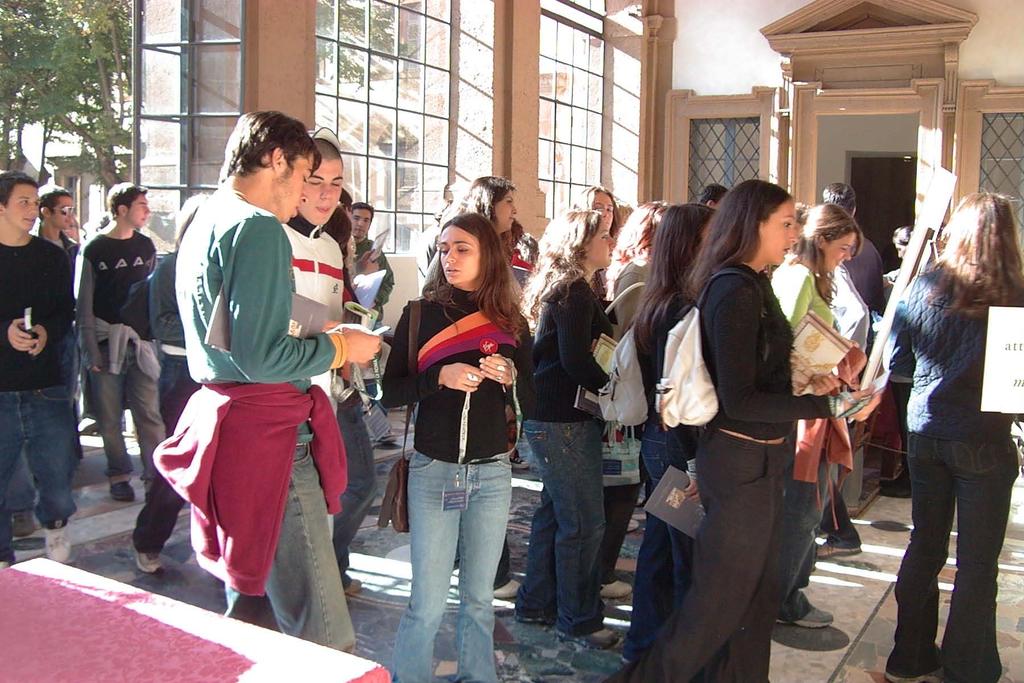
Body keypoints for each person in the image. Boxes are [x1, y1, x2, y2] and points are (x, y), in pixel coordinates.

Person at [608, 179, 876, 682]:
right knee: (716, 605)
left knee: (755, 601)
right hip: (737, 461)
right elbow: (740, 400)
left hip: (762, 458)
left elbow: (761, 375)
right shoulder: (732, 288)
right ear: (752, 224)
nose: (796, 232)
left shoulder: (755, 281)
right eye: (786, 222)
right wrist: (828, 402)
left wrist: (812, 380)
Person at [157, 111, 380, 650]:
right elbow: (262, 356)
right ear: (276, 161)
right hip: (269, 429)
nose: (306, 191)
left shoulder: (209, 217)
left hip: (232, 420)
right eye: (305, 175)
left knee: (251, 604)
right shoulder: (256, 227)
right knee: (323, 629)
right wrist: (342, 346)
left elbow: (239, 336)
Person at [382, 212, 535, 683]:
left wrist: (511, 379)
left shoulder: (511, 322)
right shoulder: (420, 314)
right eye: (444, 249)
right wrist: (438, 378)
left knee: (479, 601)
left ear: (487, 255)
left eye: (462, 248)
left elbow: (531, 398)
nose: (449, 258)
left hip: (491, 474)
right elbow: (390, 394)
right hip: (434, 471)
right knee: (426, 603)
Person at [884, 193, 1024, 683]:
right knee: (978, 563)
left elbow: (898, 366)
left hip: (925, 432)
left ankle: (909, 656)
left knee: (925, 544)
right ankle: (969, 667)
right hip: (983, 439)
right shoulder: (1016, 293)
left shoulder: (920, 288)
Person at [516, 208, 620, 649]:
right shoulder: (574, 291)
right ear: (581, 242)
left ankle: (536, 602)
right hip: (563, 419)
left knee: (555, 513)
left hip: (549, 415)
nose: (610, 243)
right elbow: (576, 360)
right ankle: (578, 618)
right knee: (583, 522)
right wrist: (613, 389)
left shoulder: (567, 287)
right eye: (604, 235)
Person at [283, 128, 378, 598]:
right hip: (290, 396)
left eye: (336, 183)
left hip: (335, 387)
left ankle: (327, 566)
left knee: (357, 482)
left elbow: (324, 313)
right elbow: (272, 327)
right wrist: (335, 336)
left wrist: (351, 326)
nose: (325, 193)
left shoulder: (327, 245)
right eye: (315, 180)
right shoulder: (272, 238)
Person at [622, 202, 714, 662]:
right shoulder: (680, 307)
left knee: (660, 548)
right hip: (675, 446)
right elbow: (676, 396)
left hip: (661, 445)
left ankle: (644, 646)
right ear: (692, 244)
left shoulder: (662, 299)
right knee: (684, 557)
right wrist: (694, 462)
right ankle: (677, 657)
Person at [771, 202, 863, 629]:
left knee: (808, 505)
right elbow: (783, 341)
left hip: (810, 403)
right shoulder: (796, 276)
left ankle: (790, 591)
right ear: (821, 240)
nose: (846, 257)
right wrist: (816, 372)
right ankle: (782, 598)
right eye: (843, 248)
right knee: (801, 508)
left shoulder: (809, 277)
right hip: (799, 410)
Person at [0, 171, 78, 568]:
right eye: (23, 203)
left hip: (46, 385)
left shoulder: (51, 256)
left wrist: (46, 331)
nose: (32, 211)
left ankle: (56, 528)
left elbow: (66, 311)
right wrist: (5, 334)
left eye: (34, 203)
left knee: (57, 472)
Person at [130, 195, 207, 574]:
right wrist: (209, 334)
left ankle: (213, 549)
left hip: (218, 374)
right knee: (179, 463)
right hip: (181, 373)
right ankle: (148, 539)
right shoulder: (170, 267)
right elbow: (162, 324)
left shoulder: (220, 266)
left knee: (220, 468)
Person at [598, 201, 668, 602]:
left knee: (625, 488)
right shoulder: (638, 274)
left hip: (636, 400)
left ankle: (603, 566)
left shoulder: (648, 273)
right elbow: (626, 340)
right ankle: (602, 571)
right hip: (625, 402)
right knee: (620, 490)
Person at [77, 183, 165, 502]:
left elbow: (152, 296)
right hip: (105, 340)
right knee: (109, 416)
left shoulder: (146, 246)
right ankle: (119, 474)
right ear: (122, 210)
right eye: (141, 205)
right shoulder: (95, 249)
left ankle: (155, 476)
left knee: (149, 414)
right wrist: (89, 350)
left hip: (140, 343)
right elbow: (83, 303)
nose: (147, 211)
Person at [822, 182, 885, 316]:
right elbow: (878, 299)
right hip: (865, 324)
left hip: (830, 326)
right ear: (854, 209)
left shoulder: (820, 249)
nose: (846, 256)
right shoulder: (870, 250)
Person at [573, 185, 620, 299]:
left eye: (609, 209)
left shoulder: (615, 247)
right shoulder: (573, 288)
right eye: (598, 209)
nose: (605, 214)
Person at [351, 201, 395, 315]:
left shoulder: (374, 251)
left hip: (370, 315)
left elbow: (388, 282)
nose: (360, 223)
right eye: (356, 218)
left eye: (366, 220)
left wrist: (375, 300)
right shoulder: (338, 246)